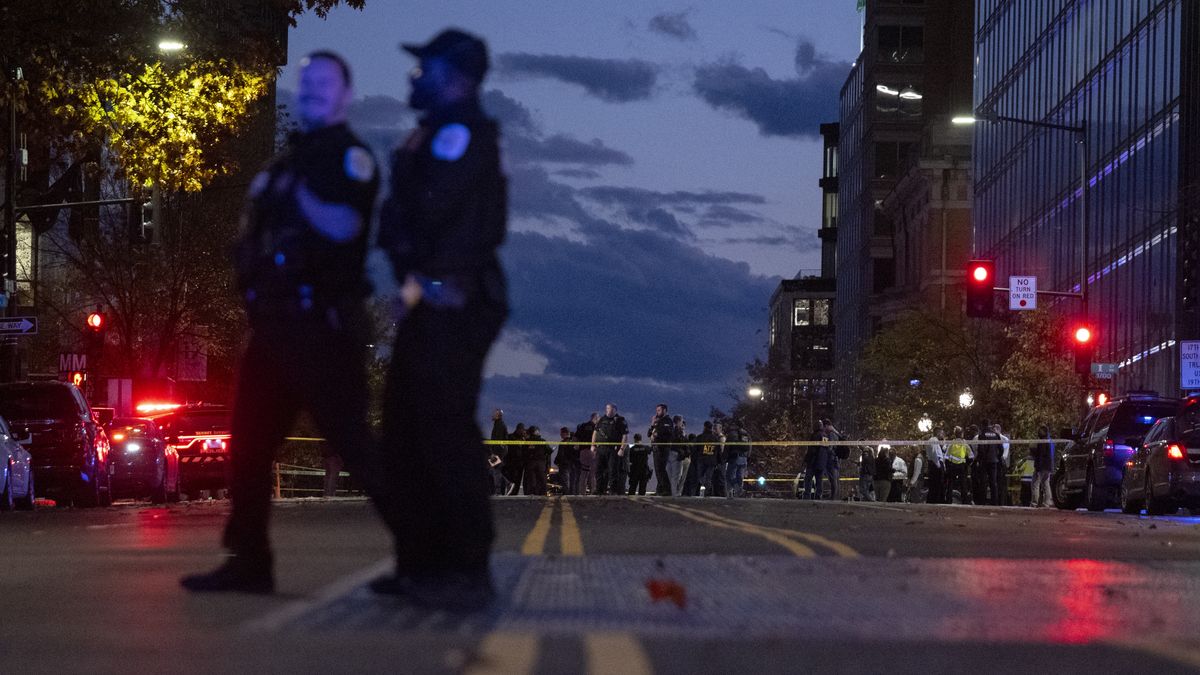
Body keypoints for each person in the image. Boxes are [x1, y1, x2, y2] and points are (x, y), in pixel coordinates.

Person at [181, 52, 383, 595]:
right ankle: (250, 560)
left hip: (324, 325)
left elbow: (344, 225)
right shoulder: (284, 164)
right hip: (273, 327)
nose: (315, 90)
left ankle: (429, 553)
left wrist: (299, 195)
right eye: (308, 82)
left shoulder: (352, 159)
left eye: (327, 84)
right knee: (247, 444)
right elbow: (251, 231)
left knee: (355, 447)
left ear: (344, 95)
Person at [370, 29, 509, 610]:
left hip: (455, 299)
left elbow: (444, 221)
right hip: (434, 296)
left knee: (443, 429)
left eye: (424, 67)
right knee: (405, 431)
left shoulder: (460, 135)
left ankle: (465, 566)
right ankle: (422, 562)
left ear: (456, 76)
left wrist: (427, 282)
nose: (414, 76)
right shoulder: (437, 131)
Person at [592, 403, 629, 495]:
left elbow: (625, 435)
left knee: (613, 470)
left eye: (610, 409)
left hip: (613, 449)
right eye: (607, 408)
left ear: (615, 410)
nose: (608, 410)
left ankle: (613, 490)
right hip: (601, 448)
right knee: (598, 470)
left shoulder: (620, 420)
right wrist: (593, 445)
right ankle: (599, 489)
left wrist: (622, 448)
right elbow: (595, 433)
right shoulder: (601, 419)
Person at [648, 404, 675, 496]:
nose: (657, 412)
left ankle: (666, 490)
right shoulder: (657, 421)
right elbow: (649, 433)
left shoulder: (668, 421)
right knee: (657, 470)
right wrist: (652, 424)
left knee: (661, 469)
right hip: (656, 448)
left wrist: (657, 434)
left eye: (659, 410)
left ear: (664, 410)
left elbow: (667, 433)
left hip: (663, 448)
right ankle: (660, 489)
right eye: (657, 410)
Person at [975, 420, 1003, 506]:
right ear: (989, 425)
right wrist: (997, 457)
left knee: (983, 482)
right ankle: (995, 503)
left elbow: (981, 449)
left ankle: (982, 502)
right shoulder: (996, 435)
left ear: (983, 425)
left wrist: (980, 460)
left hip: (984, 462)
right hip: (994, 461)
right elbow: (1001, 449)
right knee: (993, 483)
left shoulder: (982, 435)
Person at [724, 419, 751, 498]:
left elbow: (727, 447)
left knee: (730, 476)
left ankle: (733, 491)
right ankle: (738, 492)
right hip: (744, 458)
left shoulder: (732, 434)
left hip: (735, 457)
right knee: (740, 476)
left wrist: (724, 458)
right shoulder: (747, 434)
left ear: (736, 425)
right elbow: (750, 446)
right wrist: (748, 457)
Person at [1031, 425, 1055, 508]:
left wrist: (1038, 468)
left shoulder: (1042, 442)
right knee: (1046, 484)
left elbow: (1040, 455)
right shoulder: (1050, 441)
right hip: (1048, 466)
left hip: (1041, 467)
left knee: (1035, 484)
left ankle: (1034, 503)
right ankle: (1047, 502)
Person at [946, 427, 971, 504]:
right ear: (961, 434)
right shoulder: (964, 443)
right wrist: (967, 464)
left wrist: (948, 465)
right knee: (963, 484)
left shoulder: (951, 443)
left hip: (952, 466)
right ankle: (965, 501)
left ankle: (948, 501)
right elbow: (971, 456)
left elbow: (946, 456)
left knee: (950, 484)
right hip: (962, 467)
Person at [695, 421, 721, 496]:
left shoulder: (700, 437)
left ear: (704, 427)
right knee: (709, 477)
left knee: (700, 476)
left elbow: (695, 449)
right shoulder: (715, 438)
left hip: (701, 460)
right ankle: (707, 492)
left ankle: (705, 489)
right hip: (712, 461)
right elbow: (718, 451)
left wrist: (696, 458)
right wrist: (719, 461)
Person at [554, 427, 581, 495]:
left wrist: (556, 461)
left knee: (565, 481)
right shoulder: (574, 442)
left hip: (564, 465)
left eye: (561, 433)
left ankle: (567, 495)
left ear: (564, 433)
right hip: (573, 464)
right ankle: (572, 495)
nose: (560, 435)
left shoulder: (563, 443)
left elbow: (560, 454)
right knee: (573, 480)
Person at [668, 416, 690, 497]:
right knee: (676, 476)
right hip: (678, 455)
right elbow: (682, 442)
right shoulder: (677, 432)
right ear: (678, 422)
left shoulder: (673, 430)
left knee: (678, 476)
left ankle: (677, 492)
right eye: (681, 422)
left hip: (680, 455)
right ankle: (675, 493)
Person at [576, 413, 599, 495]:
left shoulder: (582, 426)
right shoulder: (597, 427)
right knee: (593, 474)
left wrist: (577, 447)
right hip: (593, 451)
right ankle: (593, 492)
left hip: (583, 452)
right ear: (596, 418)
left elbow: (575, 438)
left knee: (584, 472)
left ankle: (582, 492)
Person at [523, 426, 549, 496]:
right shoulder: (542, 441)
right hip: (541, 463)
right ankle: (543, 493)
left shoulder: (527, 442)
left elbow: (524, 452)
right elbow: (549, 451)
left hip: (530, 463)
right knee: (542, 479)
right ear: (536, 432)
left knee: (531, 479)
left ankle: (532, 493)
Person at [822, 419, 844, 501]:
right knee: (834, 478)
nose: (823, 429)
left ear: (826, 426)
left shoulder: (831, 434)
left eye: (824, 427)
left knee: (833, 479)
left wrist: (825, 448)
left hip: (832, 459)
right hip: (836, 459)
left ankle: (833, 497)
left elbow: (829, 447)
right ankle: (834, 496)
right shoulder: (836, 433)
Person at [489, 409, 509, 496]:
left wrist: (494, 453)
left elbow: (498, 441)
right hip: (498, 451)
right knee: (494, 470)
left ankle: (498, 491)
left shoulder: (499, 425)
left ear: (498, 415)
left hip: (498, 452)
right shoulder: (498, 424)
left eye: (494, 414)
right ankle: (508, 484)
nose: (492, 415)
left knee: (495, 470)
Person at [504, 423, 528, 495]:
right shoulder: (510, 437)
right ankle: (510, 494)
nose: (523, 432)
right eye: (522, 430)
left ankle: (514, 495)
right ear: (518, 429)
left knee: (517, 480)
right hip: (512, 463)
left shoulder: (523, 439)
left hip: (520, 463)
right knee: (512, 479)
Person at [925, 426, 946, 505]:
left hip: (935, 464)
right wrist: (938, 465)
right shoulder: (933, 440)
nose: (942, 435)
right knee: (936, 484)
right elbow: (934, 453)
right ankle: (935, 501)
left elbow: (939, 452)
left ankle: (935, 501)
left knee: (936, 485)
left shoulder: (935, 440)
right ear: (938, 433)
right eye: (941, 433)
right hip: (935, 465)